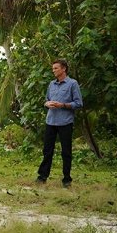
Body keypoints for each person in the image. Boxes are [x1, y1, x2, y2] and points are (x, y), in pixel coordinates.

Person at [36, 59, 83, 188]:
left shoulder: (72, 84)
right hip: (50, 121)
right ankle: (42, 177)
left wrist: (62, 105)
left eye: (56, 68)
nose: (53, 70)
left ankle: (67, 179)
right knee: (47, 150)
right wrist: (47, 104)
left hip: (65, 122)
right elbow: (46, 100)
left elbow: (78, 104)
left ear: (64, 69)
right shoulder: (51, 84)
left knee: (66, 152)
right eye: (53, 68)